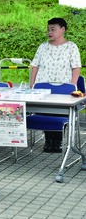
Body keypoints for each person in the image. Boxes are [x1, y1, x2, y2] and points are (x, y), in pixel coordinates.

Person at [30, 17, 81, 152]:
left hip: (63, 87)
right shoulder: (43, 47)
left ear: (63, 29)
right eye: (48, 29)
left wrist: (72, 85)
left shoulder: (71, 47)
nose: (49, 32)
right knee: (45, 112)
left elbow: (76, 67)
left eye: (53, 29)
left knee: (59, 113)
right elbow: (35, 65)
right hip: (44, 86)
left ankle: (58, 141)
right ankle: (48, 140)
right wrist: (32, 83)